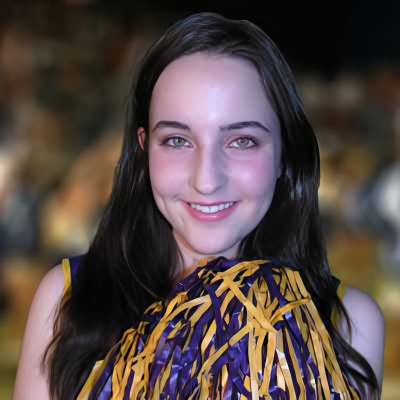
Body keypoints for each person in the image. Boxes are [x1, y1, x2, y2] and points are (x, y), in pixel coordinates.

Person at [12, 11, 385, 400]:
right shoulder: (70, 300)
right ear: (145, 150)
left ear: (284, 156)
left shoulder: (348, 325)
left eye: (242, 141)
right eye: (177, 140)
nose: (206, 180)